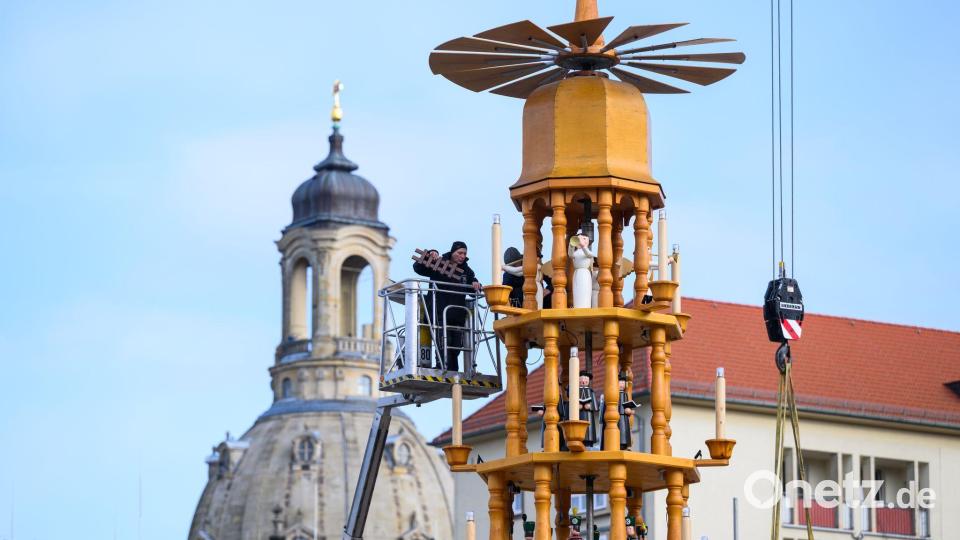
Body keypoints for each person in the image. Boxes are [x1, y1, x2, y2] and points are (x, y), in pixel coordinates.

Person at [412, 241, 481, 372]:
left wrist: (476, 284)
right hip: (439, 312)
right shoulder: (439, 263)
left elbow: (473, 290)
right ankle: (442, 367)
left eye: (464, 253)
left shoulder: (467, 271)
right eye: (459, 253)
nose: (462, 256)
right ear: (453, 252)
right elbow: (418, 268)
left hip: (457, 315)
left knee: (456, 346)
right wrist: (430, 254)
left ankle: (453, 370)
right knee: (442, 342)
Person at [569, 232, 595, 308]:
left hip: (585, 274)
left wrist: (583, 246)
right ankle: (577, 306)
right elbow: (570, 254)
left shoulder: (587, 251)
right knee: (577, 290)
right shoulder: (576, 253)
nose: (581, 240)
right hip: (577, 273)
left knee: (585, 290)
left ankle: (585, 306)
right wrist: (571, 245)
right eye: (579, 239)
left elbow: (589, 255)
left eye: (584, 239)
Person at [578, 370, 599, 448]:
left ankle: (589, 442)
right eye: (581, 379)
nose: (583, 381)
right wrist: (577, 406)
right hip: (579, 415)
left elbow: (595, 406)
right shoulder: (575, 391)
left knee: (589, 430)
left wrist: (590, 406)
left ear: (588, 381)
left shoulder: (591, 391)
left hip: (589, 415)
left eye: (585, 379)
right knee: (580, 430)